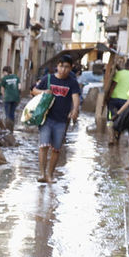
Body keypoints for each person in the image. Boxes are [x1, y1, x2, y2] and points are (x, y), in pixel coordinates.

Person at [31, 54, 82, 184]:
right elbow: (33, 90)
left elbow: (75, 97)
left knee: (56, 149)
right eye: (61, 66)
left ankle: (50, 175)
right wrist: (43, 92)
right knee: (43, 146)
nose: (63, 69)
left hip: (62, 120)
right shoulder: (47, 79)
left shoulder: (72, 82)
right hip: (46, 118)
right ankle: (42, 174)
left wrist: (75, 109)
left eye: (67, 67)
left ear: (71, 68)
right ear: (57, 66)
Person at [106, 57, 129, 146]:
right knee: (120, 119)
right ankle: (117, 136)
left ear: (125, 64)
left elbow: (113, 86)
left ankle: (111, 137)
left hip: (114, 99)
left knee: (110, 118)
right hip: (126, 101)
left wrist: (108, 97)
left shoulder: (119, 73)